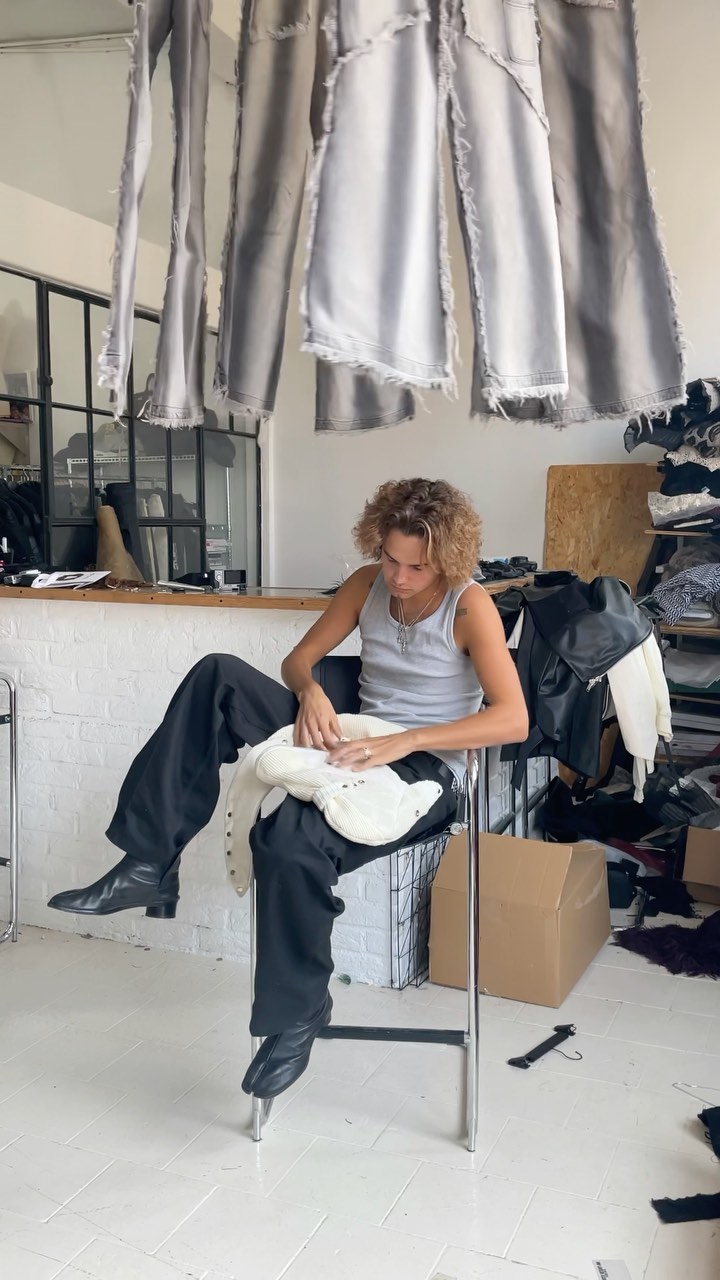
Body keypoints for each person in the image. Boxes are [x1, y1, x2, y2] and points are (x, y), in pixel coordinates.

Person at [48, 478, 528, 1099]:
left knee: (284, 843)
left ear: (447, 559)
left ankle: (299, 1011)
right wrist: (311, 691)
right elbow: (297, 660)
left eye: (418, 566)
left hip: (423, 770)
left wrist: (404, 741)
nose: (400, 577)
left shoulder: (469, 606)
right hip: (350, 741)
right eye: (391, 558)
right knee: (217, 675)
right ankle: (148, 862)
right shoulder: (367, 585)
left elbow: (512, 720)